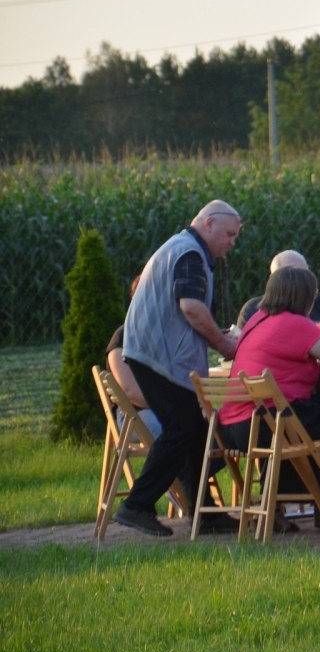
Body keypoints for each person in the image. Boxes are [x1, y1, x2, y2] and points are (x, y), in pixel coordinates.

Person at [112, 201, 242, 537]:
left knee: (196, 430)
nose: (232, 242)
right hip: (158, 357)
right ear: (209, 224)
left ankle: (206, 513)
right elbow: (192, 308)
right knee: (182, 428)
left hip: (152, 353)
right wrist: (225, 345)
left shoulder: (180, 248)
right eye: (229, 234)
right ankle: (136, 506)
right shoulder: (190, 254)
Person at [222, 266, 320, 531]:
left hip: (235, 425)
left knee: (307, 425)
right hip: (271, 424)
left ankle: (275, 508)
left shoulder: (256, 320)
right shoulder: (295, 323)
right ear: (305, 297)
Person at [105, 276, 162, 440]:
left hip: (164, 411)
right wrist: (169, 404)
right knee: (179, 434)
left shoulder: (163, 337)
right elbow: (131, 392)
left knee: (215, 426)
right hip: (133, 417)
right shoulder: (122, 338)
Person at [236, 249, 320, 329]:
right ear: (273, 279)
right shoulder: (253, 309)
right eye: (289, 277)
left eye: (303, 274)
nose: (298, 281)